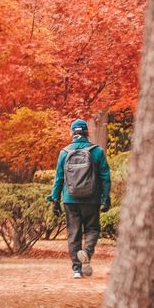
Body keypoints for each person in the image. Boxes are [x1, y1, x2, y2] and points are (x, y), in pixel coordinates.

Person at [48, 119, 111, 279]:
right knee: (93, 229)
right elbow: (105, 177)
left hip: (70, 199)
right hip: (92, 199)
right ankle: (87, 252)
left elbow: (59, 178)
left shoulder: (64, 152)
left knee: (73, 234)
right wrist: (105, 197)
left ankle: (77, 269)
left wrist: (55, 199)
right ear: (87, 132)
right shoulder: (97, 152)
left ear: (72, 133)